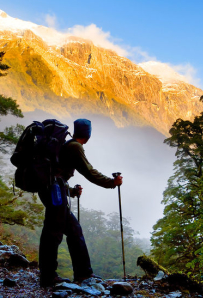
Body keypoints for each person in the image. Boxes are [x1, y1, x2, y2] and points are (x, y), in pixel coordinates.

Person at [38, 118, 123, 287]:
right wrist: (112, 183)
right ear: (88, 134)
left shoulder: (67, 144)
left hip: (53, 190)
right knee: (53, 233)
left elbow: (57, 173)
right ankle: (49, 277)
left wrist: (70, 192)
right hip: (55, 192)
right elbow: (89, 171)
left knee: (73, 230)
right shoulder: (75, 147)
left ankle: (83, 274)